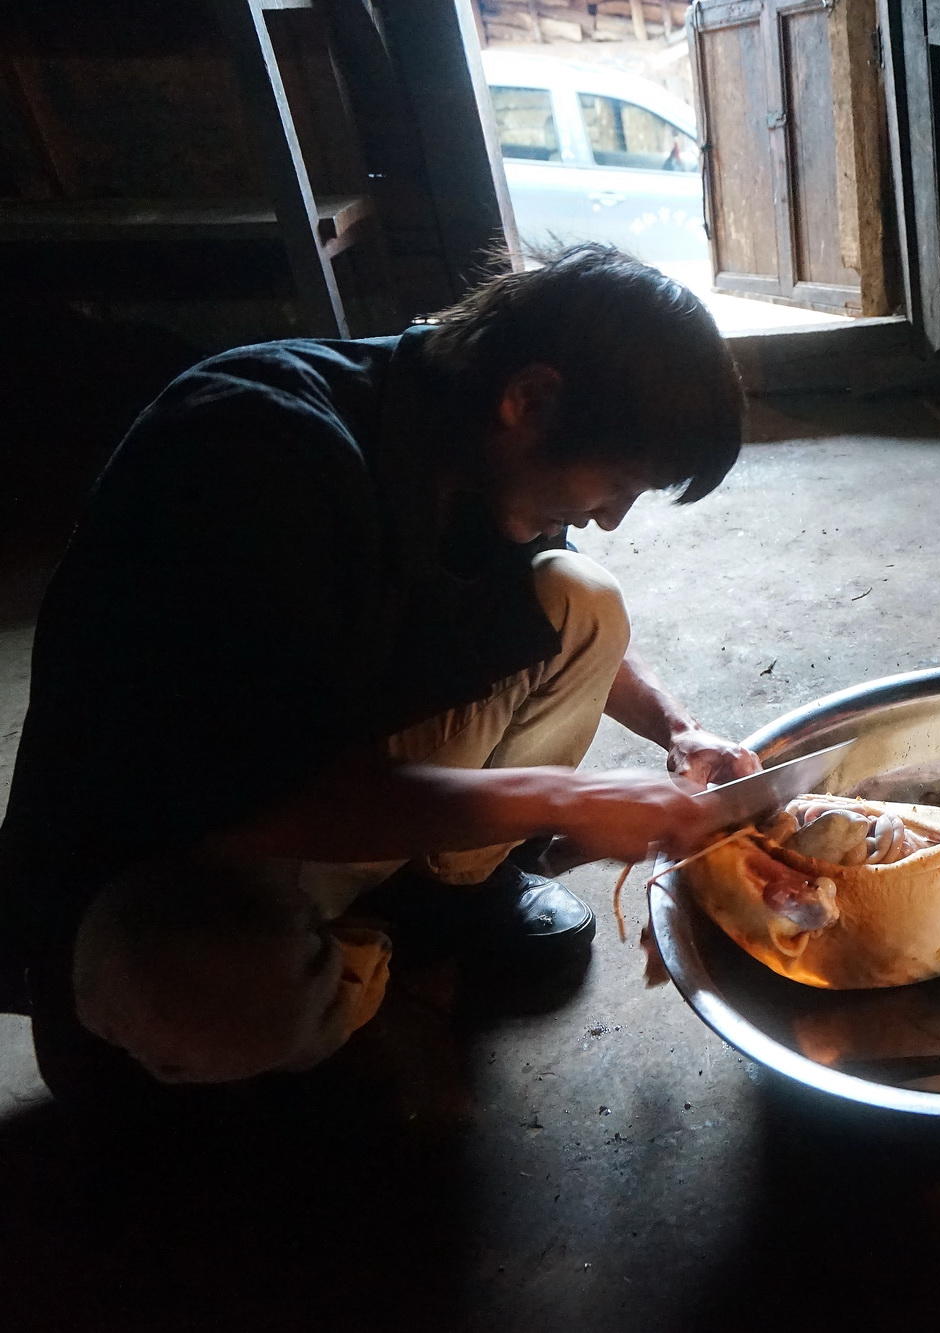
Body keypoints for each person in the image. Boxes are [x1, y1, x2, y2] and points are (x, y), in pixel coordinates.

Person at [0, 243, 758, 1095]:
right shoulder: (256, 460)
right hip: (165, 860)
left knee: (582, 601)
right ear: (531, 398)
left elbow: (562, 630)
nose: (612, 517)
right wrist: (565, 800)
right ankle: (255, 1000)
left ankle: (435, 907)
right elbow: (261, 801)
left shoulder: (468, 438)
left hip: (322, 768)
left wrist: (677, 726)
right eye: (617, 483)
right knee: (225, 998)